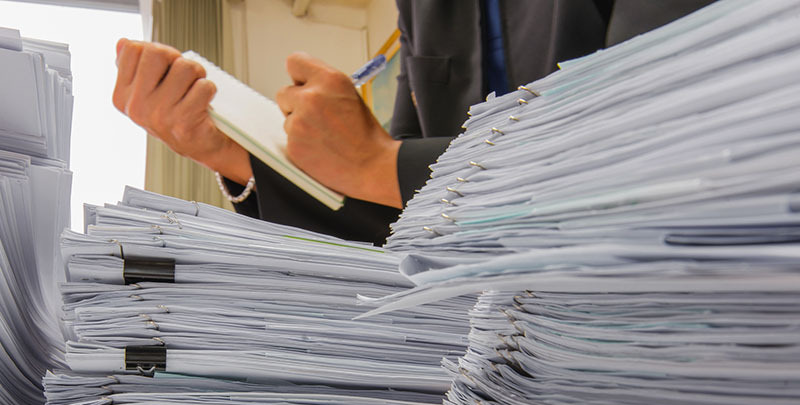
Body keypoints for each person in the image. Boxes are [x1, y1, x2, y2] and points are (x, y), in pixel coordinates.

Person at [113, 0, 714, 246]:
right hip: (507, 370)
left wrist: (379, 162)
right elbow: (398, 220)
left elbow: (660, 139)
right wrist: (240, 154)